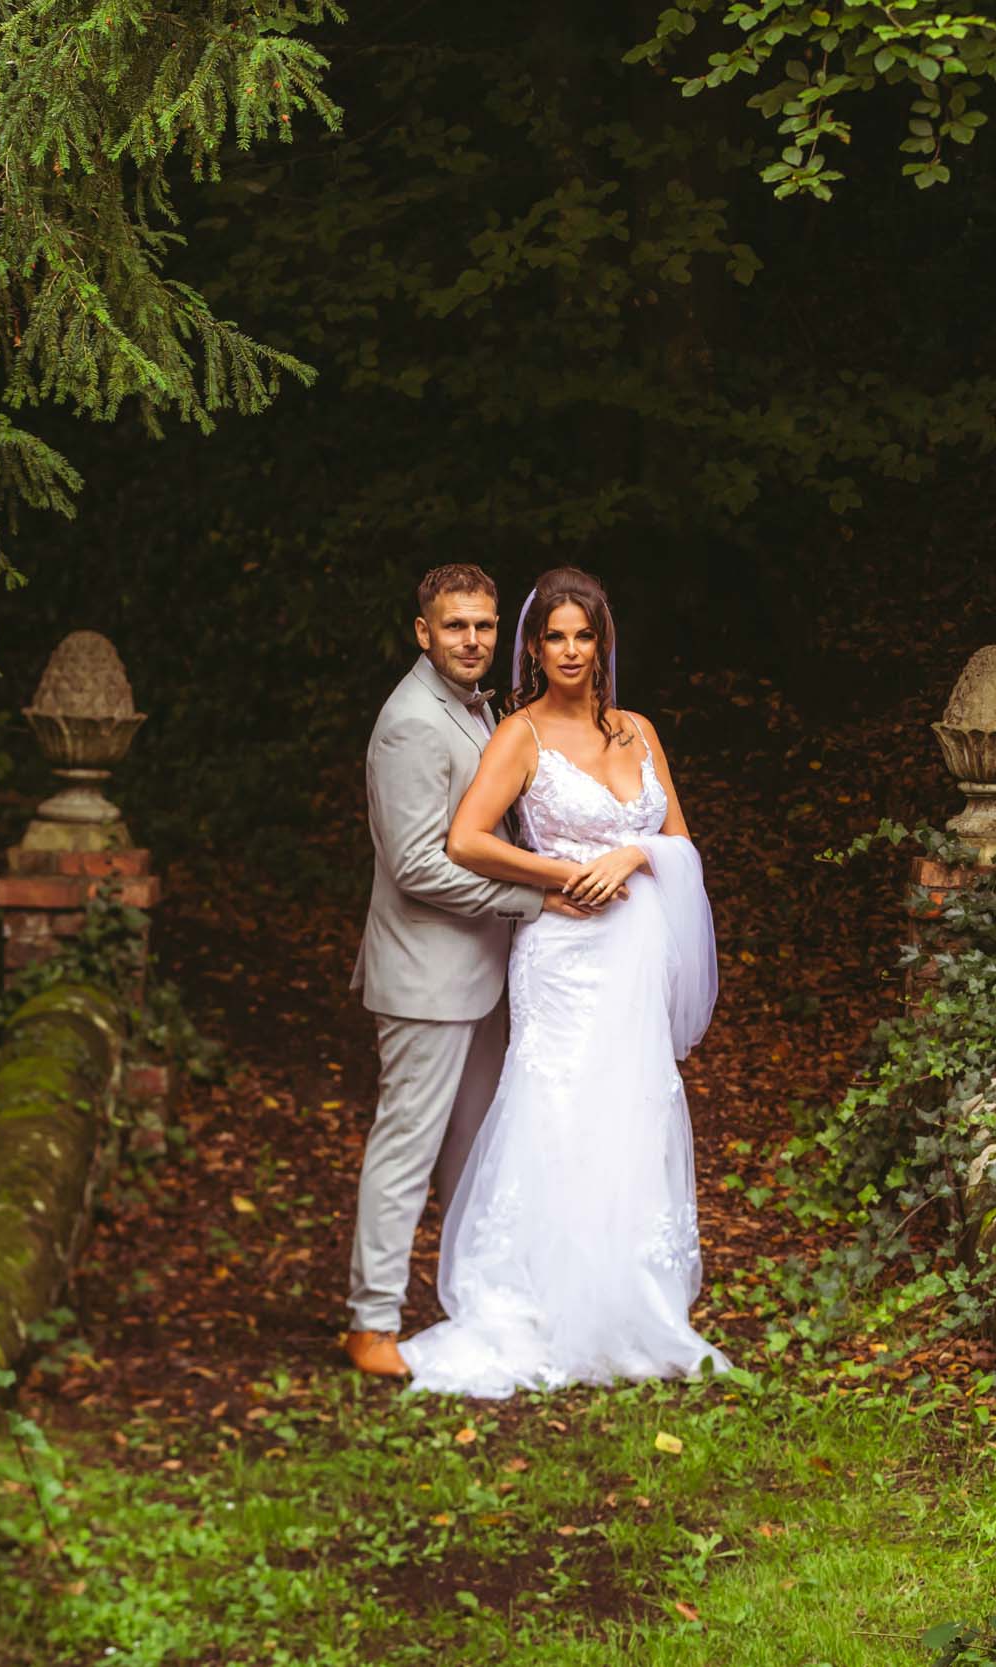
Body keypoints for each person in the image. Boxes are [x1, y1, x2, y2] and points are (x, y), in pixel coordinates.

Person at [395, 565, 731, 1398]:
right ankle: (542, 1297)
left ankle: (630, 1296)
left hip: (635, 954)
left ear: (603, 641)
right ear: (534, 647)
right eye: (555, 636)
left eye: (584, 635)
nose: (571, 650)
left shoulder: (641, 731)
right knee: (557, 1108)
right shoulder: (521, 733)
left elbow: (682, 846)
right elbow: (467, 839)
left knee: (633, 1107)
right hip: (563, 956)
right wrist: (557, 873)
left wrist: (633, 851)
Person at [342, 564, 603, 1377]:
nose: (472, 640)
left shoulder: (475, 707)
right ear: (423, 631)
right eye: (455, 626)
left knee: (477, 1146)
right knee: (407, 1148)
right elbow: (417, 865)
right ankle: (371, 1323)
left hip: (477, 972)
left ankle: (478, 1296)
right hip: (424, 976)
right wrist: (534, 895)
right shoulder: (410, 723)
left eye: (485, 626)